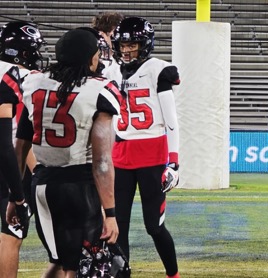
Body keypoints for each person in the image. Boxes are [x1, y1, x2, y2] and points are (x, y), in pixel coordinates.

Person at [13, 28, 120, 278]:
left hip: (42, 187)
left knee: (61, 263)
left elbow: (21, 145)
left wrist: (14, 197)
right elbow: (102, 162)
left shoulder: (34, 83)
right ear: (89, 58)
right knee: (82, 269)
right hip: (79, 187)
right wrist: (112, 214)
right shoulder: (100, 90)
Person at [111, 16, 181, 278]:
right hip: (120, 155)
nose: (127, 50)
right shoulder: (111, 70)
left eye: (133, 45)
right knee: (118, 226)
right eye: (123, 45)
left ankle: (173, 274)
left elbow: (171, 121)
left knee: (154, 225)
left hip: (152, 155)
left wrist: (173, 162)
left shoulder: (158, 69)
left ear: (145, 44)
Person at [0, 21, 49, 278]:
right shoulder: (15, 78)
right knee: (13, 233)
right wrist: (20, 193)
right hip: (7, 165)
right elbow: (17, 139)